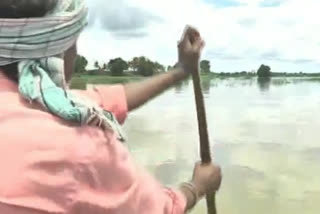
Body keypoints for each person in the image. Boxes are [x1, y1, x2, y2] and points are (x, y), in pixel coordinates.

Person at [0, 0, 222, 214]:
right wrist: (197, 186)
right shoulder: (81, 148)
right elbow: (155, 209)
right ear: (59, 47)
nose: (76, 53)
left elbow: (104, 100)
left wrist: (180, 70)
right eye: (74, 41)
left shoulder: (28, 100)